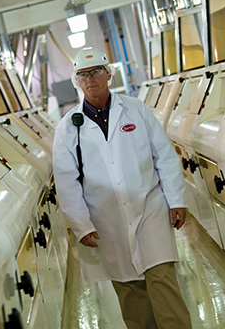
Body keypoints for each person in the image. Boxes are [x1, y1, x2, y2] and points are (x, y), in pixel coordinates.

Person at [53, 47, 192, 329]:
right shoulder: (68, 128)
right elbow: (66, 181)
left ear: (108, 74)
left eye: (95, 72)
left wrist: (176, 199)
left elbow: (163, 155)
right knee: (131, 295)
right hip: (106, 219)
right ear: (76, 82)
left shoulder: (136, 109)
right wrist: (81, 224)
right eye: (83, 74)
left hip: (149, 208)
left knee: (163, 282)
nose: (90, 79)